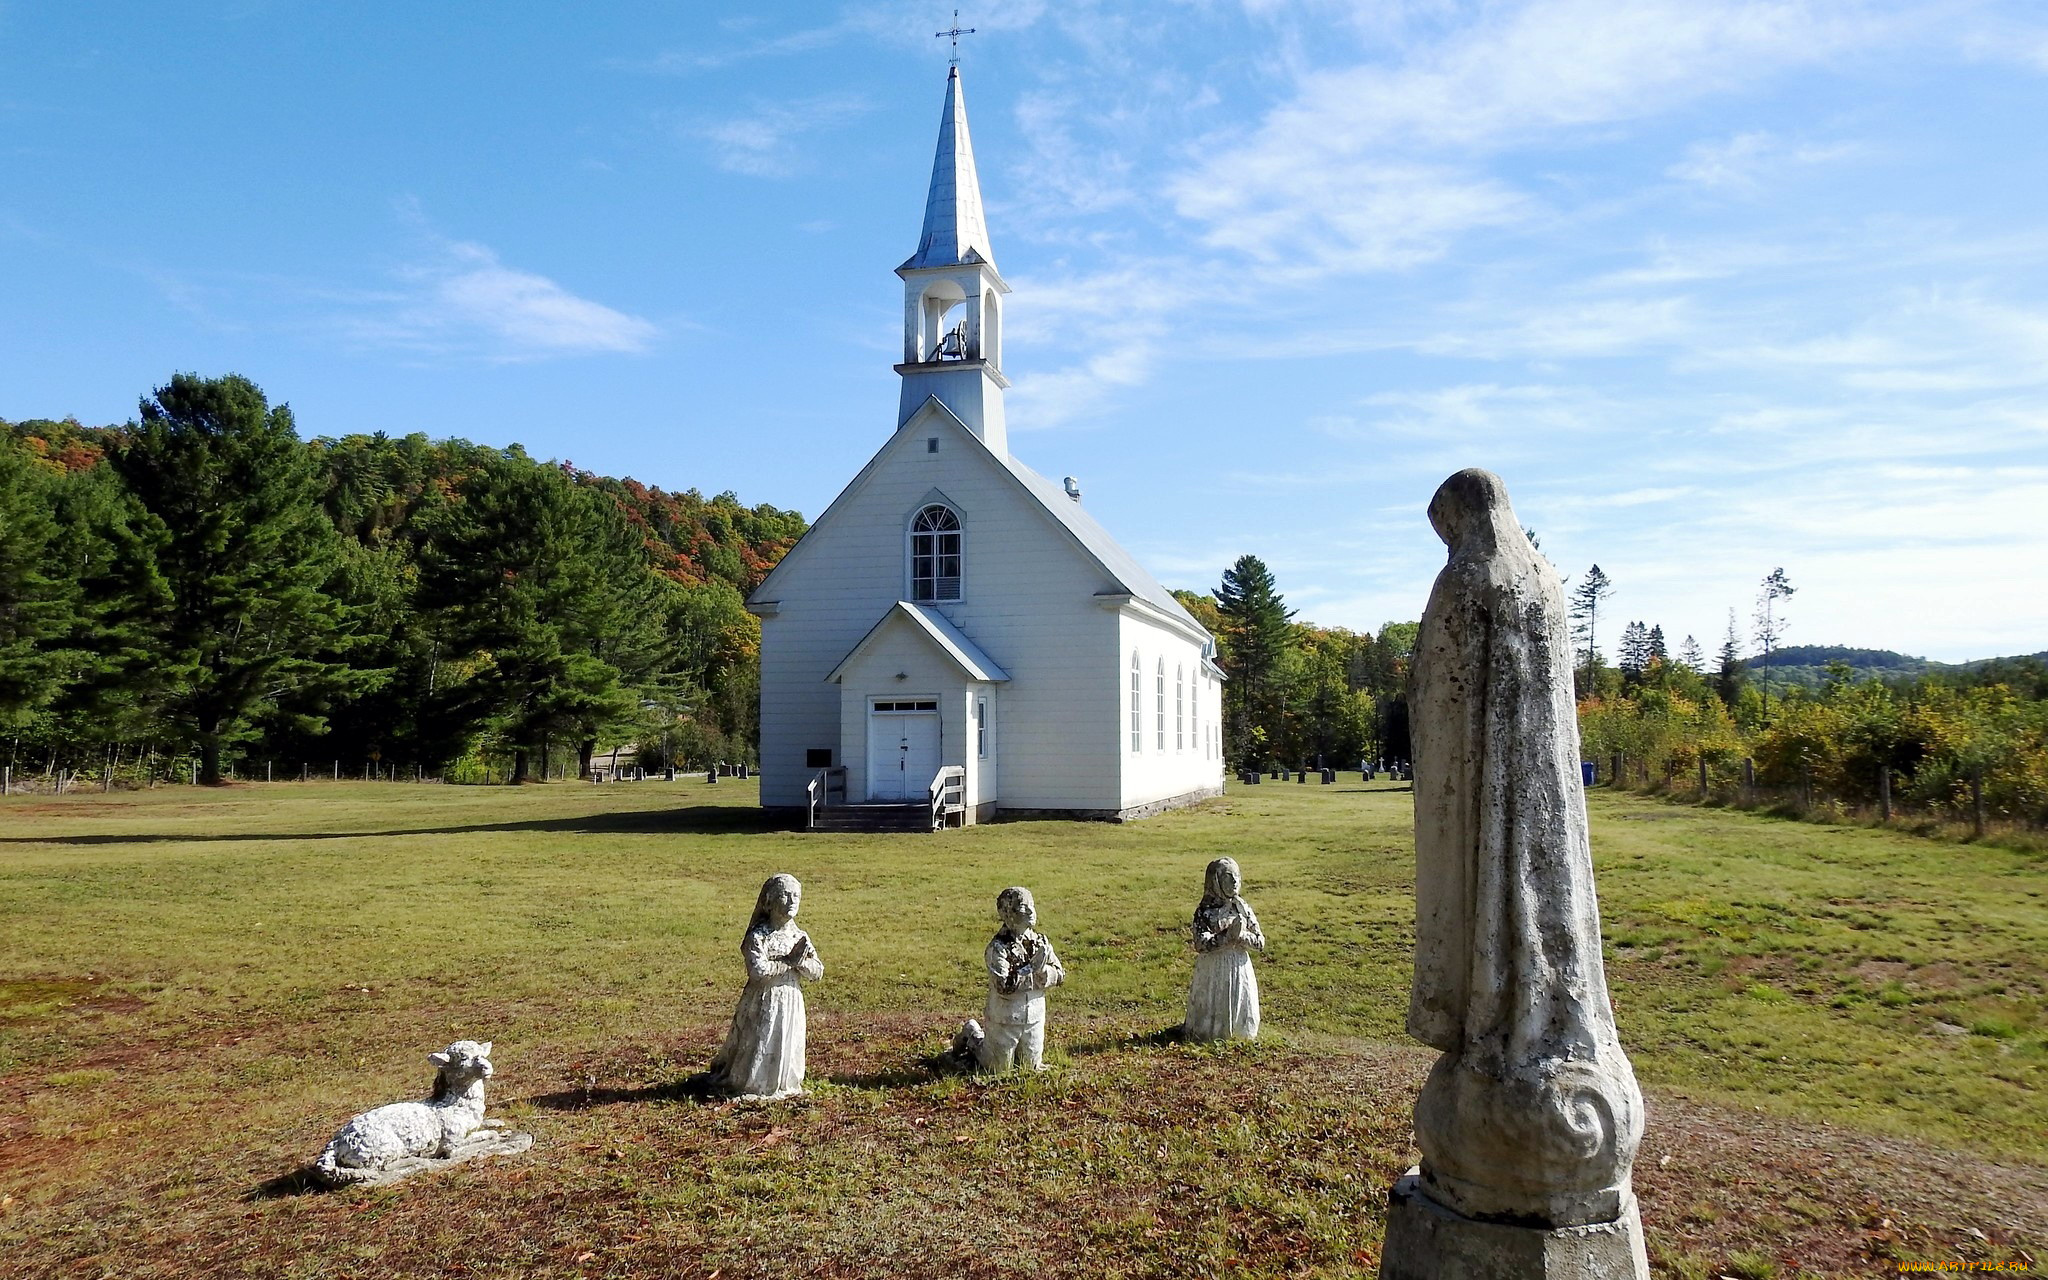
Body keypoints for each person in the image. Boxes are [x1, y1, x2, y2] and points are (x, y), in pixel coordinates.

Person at [702, 873, 824, 1100]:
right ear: (769, 900)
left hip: (791, 998)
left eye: (796, 895)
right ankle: (755, 1083)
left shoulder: (799, 936)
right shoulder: (758, 936)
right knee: (762, 1038)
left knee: (787, 1039)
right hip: (765, 998)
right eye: (785, 895)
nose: (792, 901)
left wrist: (802, 963)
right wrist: (789, 962)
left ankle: (785, 1084)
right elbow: (758, 972)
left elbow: (818, 971)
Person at [950, 886, 1064, 1073]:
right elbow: (1003, 984)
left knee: (1030, 1067)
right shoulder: (998, 948)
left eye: (1032, 905)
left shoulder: (1041, 942)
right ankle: (973, 1034)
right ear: (1007, 914)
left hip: (1034, 1017)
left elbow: (1060, 974)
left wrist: (1044, 971)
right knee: (998, 1068)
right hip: (1005, 1019)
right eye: (1022, 907)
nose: (1030, 911)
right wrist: (1031, 968)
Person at [1185, 857, 1265, 1042]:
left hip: (1239, 967)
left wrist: (1242, 936)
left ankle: (1240, 1035)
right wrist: (1225, 938)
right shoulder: (1205, 911)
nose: (1235, 881)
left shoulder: (1242, 908)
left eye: (1236, 876)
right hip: (1214, 969)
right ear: (1216, 881)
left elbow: (1260, 941)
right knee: (1215, 1005)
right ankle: (1208, 1035)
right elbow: (1201, 943)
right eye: (1228, 876)